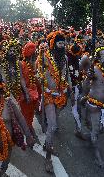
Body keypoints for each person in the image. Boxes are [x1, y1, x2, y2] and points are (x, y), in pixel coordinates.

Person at [36, 31, 71, 173]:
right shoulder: (45, 57)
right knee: (52, 125)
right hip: (49, 95)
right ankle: (48, 158)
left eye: (63, 43)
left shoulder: (65, 59)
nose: (62, 45)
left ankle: (46, 145)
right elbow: (38, 74)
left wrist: (70, 90)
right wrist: (43, 82)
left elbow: (67, 75)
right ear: (53, 44)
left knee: (54, 124)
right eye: (59, 43)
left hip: (61, 95)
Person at [83, 44, 104, 168]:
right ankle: (97, 156)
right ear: (98, 58)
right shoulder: (95, 70)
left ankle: (91, 134)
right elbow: (85, 86)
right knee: (96, 131)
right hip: (94, 104)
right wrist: (88, 77)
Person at [19, 42, 39, 139]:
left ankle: (29, 127)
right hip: (24, 92)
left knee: (31, 112)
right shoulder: (21, 64)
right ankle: (28, 131)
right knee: (25, 113)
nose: (34, 55)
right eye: (32, 53)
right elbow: (21, 79)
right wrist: (26, 93)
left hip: (34, 91)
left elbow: (35, 76)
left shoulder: (34, 63)